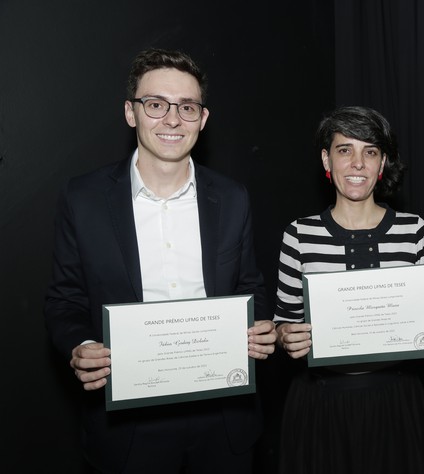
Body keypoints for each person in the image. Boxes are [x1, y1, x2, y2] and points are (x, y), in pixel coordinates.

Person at [44, 48, 276, 473]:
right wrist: (80, 346)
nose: (172, 120)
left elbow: (250, 286)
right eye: (156, 105)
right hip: (127, 427)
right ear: (131, 113)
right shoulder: (84, 199)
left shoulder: (231, 197)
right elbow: (64, 299)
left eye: (187, 107)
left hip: (224, 419)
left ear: (203, 120)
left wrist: (260, 327)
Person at [273, 105, 424, 474]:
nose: (357, 163)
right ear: (327, 159)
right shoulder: (299, 234)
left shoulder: (414, 230)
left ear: (382, 162)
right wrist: (285, 337)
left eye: (370, 152)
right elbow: (284, 324)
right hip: (320, 402)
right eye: (345, 150)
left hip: (396, 399)